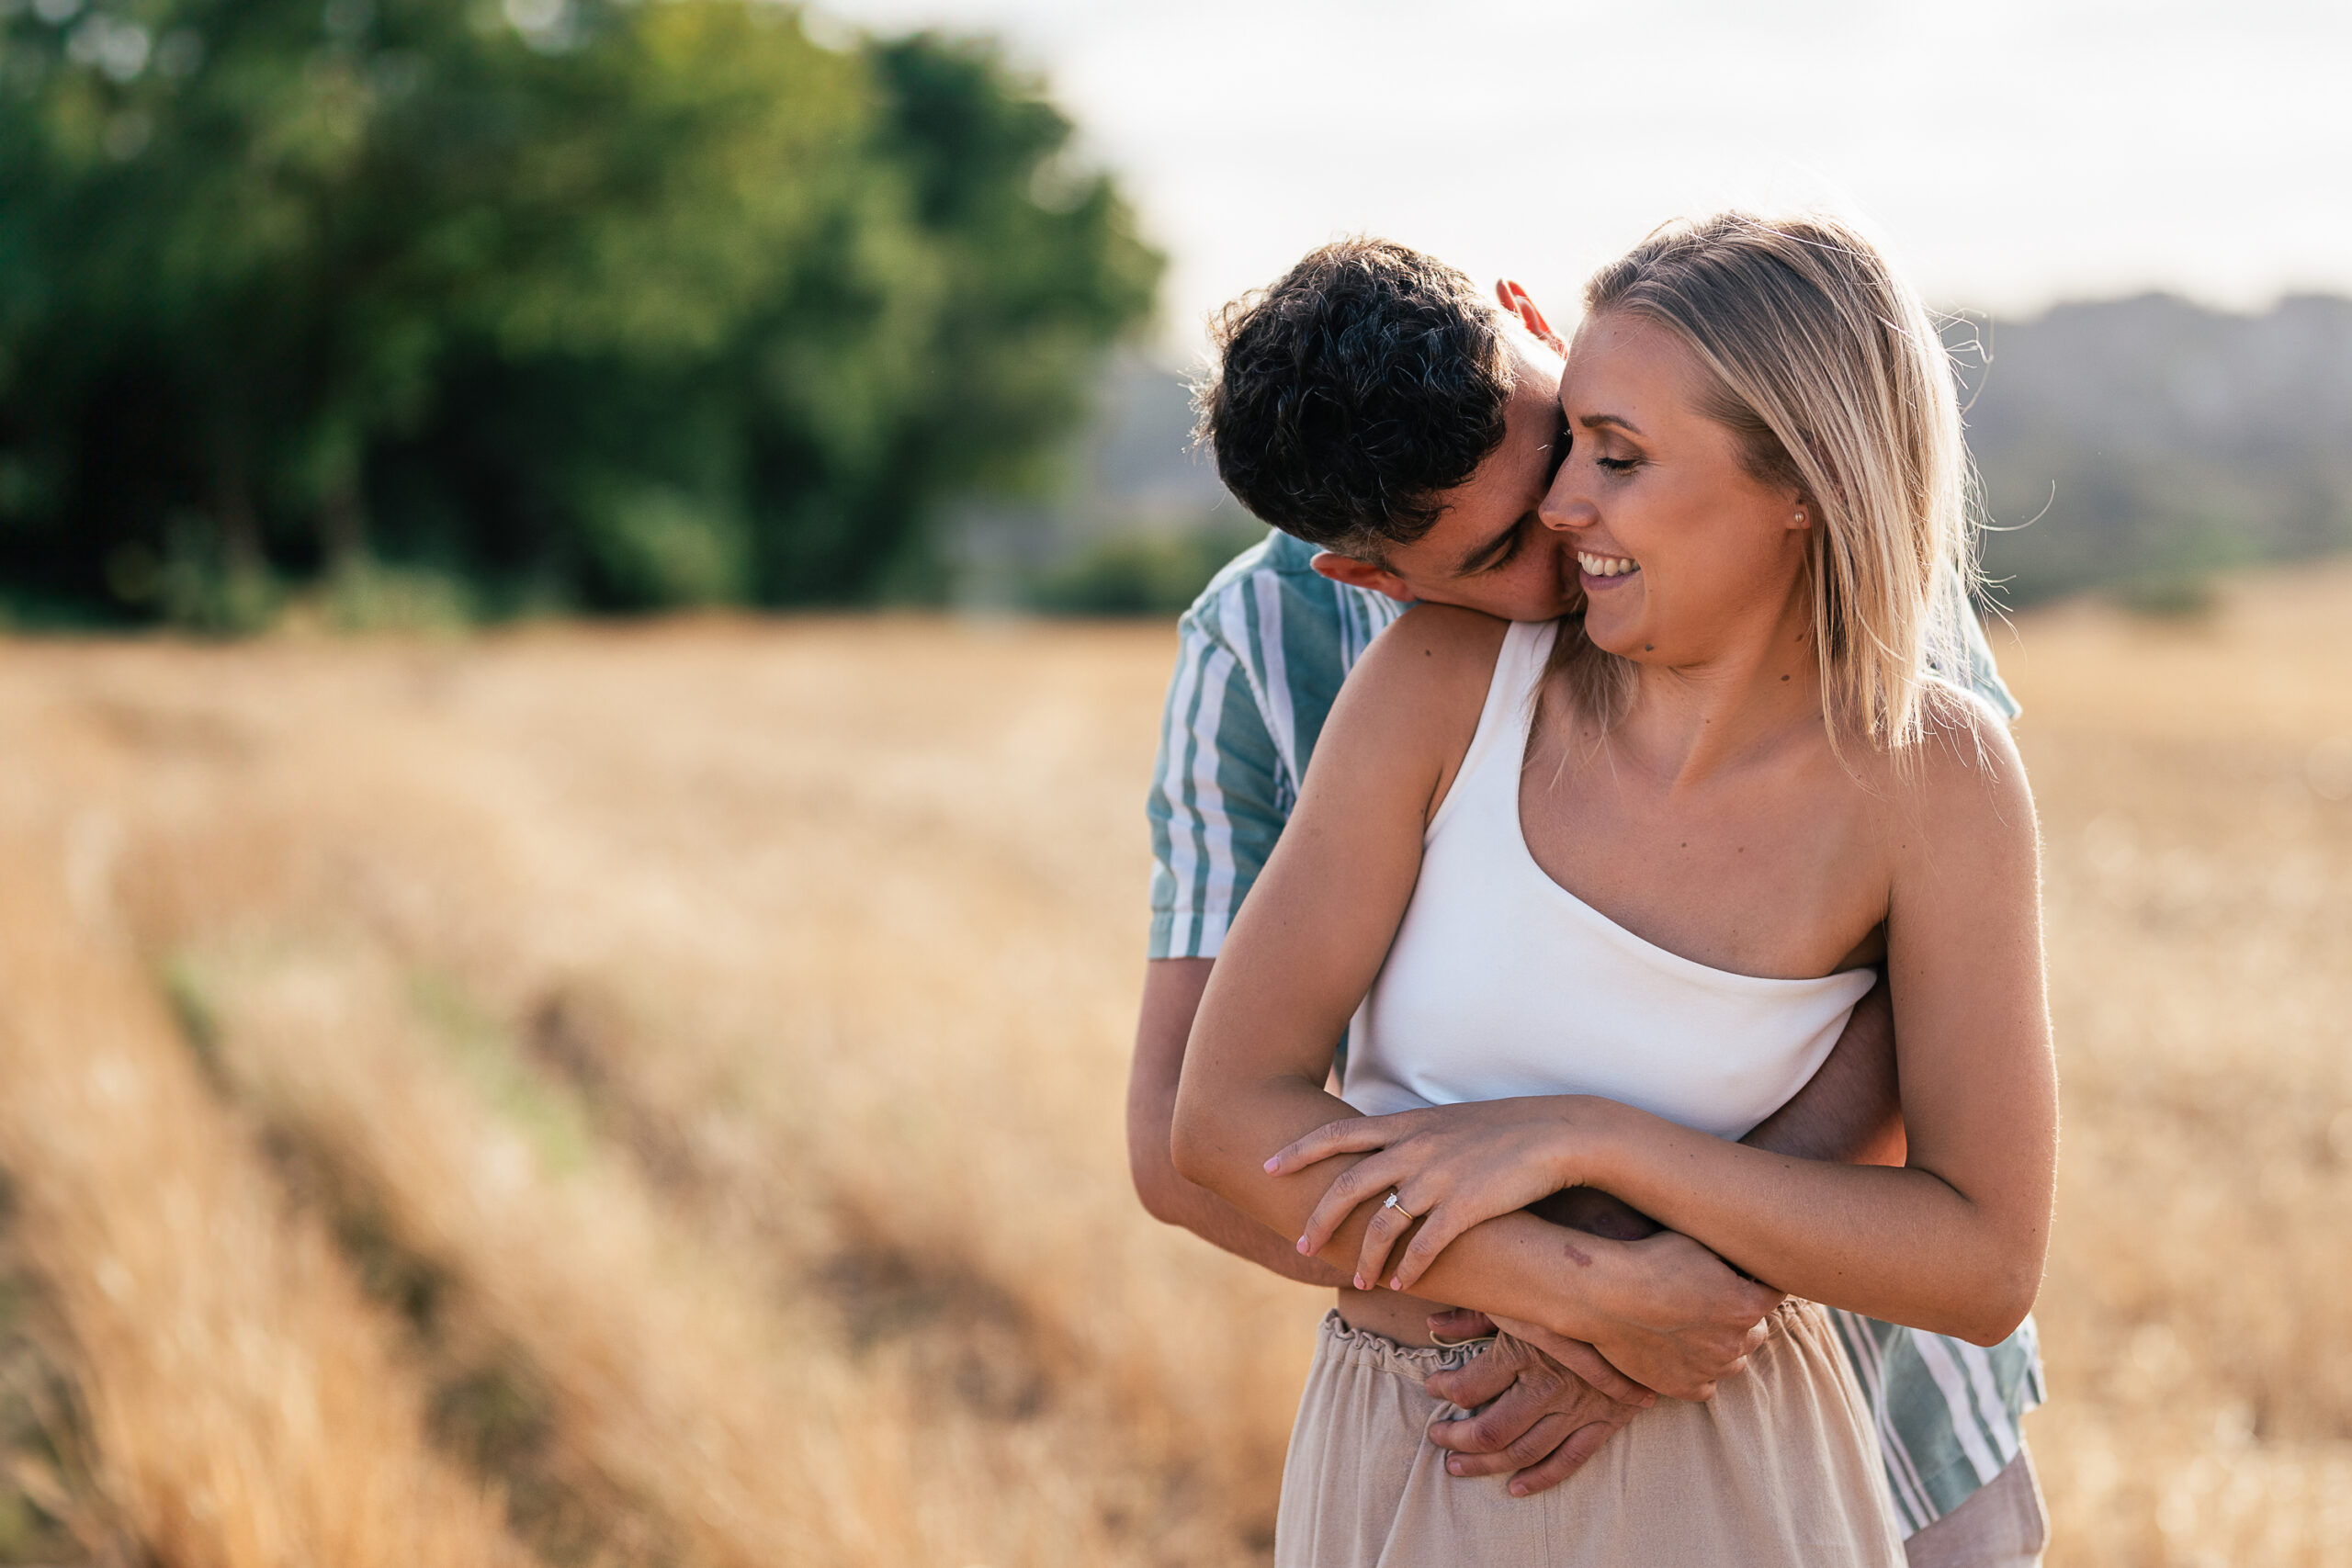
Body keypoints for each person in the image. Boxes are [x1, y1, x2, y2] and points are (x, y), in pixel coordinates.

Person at [1135, 227, 2053, 1564]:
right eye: (1507, 539)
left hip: (1836, 1406)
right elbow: (1201, 1127)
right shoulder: (1368, 662)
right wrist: (1586, 1292)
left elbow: (1927, 1053)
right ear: (1376, 582)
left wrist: (1606, 1174)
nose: (1565, 513)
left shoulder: (1918, 726)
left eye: (1586, 447)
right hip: (1457, 1436)